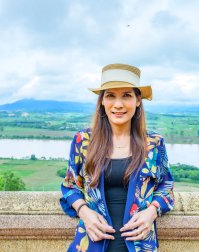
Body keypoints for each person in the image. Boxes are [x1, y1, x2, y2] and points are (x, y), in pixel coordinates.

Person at [60, 63, 174, 252]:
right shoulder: (83, 141)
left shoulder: (154, 143)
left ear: (138, 100)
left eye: (126, 95)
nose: (118, 104)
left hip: (140, 246)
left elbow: (166, 187)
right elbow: (70, 186)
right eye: (110, 95)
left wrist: (152, 212)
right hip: (91, 245)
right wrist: (84, 212)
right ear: (102, 101)